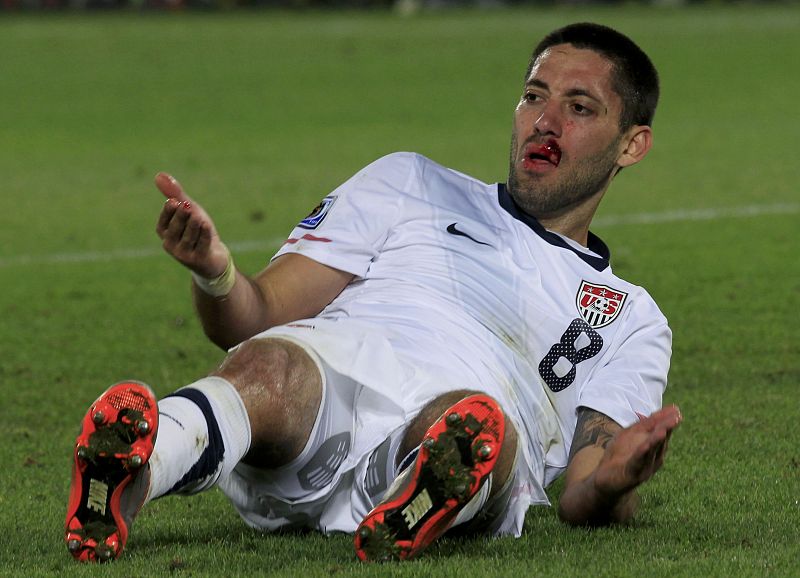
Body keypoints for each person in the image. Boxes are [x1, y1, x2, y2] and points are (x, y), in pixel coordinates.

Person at [64, 22, 682, 563]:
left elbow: (583, 489)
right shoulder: (407, 181)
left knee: (473, 427)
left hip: (457, 424)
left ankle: (415, 503)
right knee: (271, 361)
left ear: (632, 143)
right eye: (532, 97)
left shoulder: (632, 319)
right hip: (329, 395)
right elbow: (254, 317)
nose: (544, 123)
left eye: (579, 108)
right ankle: (135, 473)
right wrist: (216, 273)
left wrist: (612, 483)